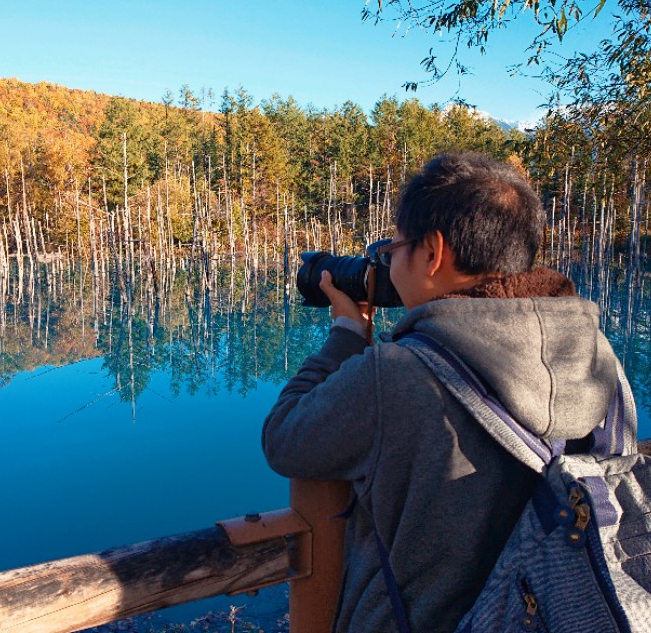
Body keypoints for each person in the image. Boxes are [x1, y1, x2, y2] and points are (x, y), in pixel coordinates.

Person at [261, 152, 623, 632]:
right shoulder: (598, 356)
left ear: (432, 253)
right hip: (566, 611)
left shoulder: (399, 372)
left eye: (393, 249)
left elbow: (285, 439)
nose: (387, 265)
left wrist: (348, 334)